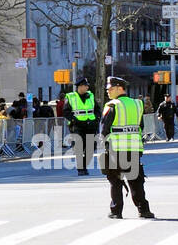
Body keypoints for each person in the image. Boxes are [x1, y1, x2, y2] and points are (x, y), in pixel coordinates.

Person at [100, 76, 155, 219]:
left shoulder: (112, 105)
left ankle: (116, 211)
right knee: (136, 181)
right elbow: (140, 126)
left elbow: (104, 129)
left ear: (120, 88)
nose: (108, 91)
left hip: (116, 149)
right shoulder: (138, 104)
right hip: (134, 149)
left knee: (115, 180)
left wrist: (105, 143)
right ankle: (144, 210)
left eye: (110, 89)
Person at [65, 77, 98, 176]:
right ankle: (81, 169)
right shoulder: (71, 97)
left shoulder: (91, 96)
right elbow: (66, 112)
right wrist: (74, 120)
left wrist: (97, 119)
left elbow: (97, 109)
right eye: (85, 85)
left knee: (91, 148)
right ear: (80, 86)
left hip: (90, 125)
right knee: (79, 148)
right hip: (77, 126)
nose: (87, 87)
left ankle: (84, 165)